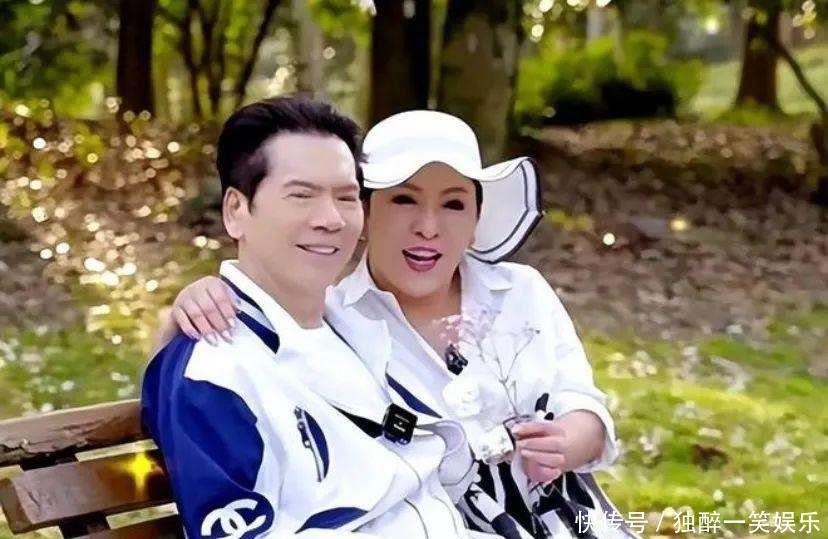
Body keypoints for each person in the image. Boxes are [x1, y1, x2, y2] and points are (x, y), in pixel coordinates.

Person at [162, 110, 636, 539]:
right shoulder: (340, 320)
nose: (428, 227)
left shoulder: (519, 291)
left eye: (454, 205)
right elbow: (227, 364)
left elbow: (582, 401)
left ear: (476, 218)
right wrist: (189, 311)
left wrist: (568, 440)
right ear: (369, 214)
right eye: (404, 200)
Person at [142, 98, 489, 539]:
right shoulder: (216, 370)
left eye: (346, 197)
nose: (331, 219)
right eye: (301, 196)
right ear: (236, 211)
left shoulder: (357, 327)